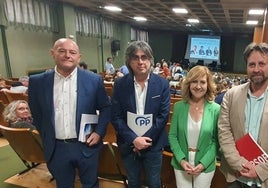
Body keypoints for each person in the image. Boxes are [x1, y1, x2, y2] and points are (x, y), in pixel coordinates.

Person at [28, 38, 111, 188]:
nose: (67, 55)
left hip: (86, 145)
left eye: (72, 52)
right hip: (56, 147)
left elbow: (106, 108)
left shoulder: (93, 80)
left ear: (79, 57)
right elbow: (37, 113)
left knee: (90, 184)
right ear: (52, 54)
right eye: (62, 51)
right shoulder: (37, 82)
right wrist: (47, 135)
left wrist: (98, 132)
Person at [111, 40, 170, 188]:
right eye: (135, 57)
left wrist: (144, 140)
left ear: (150, 60)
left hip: (153, 144)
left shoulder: (162, 84)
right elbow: (116, 116)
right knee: (133, 182)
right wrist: (134, 140)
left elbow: (162, 117)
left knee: (154, 183)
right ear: (129, 61)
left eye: (144, 57)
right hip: (129, 144)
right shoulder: (120, 84)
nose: (140, 61)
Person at [218, 42, 268, 187]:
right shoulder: (231, 95)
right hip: (235, 176)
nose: (256, 69)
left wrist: (260, 170)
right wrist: (239, 164)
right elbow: (224, 133)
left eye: (262, 64)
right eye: (252, 64)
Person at [168, 65, 220, 188]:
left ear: (208, 85)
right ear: (188, 84)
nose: (198, 86)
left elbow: (216, 141)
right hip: (182, 162)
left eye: (202, 82)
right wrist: (181, 160)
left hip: (205, 164)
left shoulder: (216, 109)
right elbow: (172, 136)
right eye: (194, 82)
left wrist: (203, 164)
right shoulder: (179, 107)